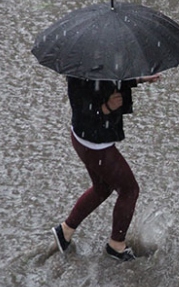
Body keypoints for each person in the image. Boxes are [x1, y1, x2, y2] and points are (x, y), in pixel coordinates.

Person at [51, 73, 161, 261]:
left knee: (102, 188)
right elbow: (83, 110)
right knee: (129, 190)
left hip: (85, 139)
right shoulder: (80, 74)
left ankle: (66, 230)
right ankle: (116, 245)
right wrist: (107, 107)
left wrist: (139, 79)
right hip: (95, 145)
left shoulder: (97, 65)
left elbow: (110, 79)